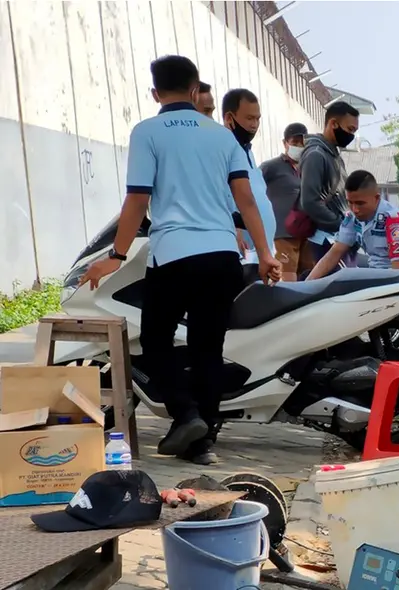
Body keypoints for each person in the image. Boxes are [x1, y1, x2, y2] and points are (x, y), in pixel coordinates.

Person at [79, 55, 280, 464]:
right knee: (209, 347)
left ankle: (186, 415)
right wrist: (265, 254)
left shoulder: (148, 132)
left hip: (174, 255)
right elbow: (245, 200)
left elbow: (137, 198)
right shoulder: (222, 137)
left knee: (154, 339)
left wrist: (116, 256)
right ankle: (201, 445)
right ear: (194, 90)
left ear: (155, 92)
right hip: (223, 255)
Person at [306, 170, 399, 278]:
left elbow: (398, 272)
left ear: (376, 198)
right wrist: (306, 285)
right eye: (350, 202)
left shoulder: (394, 220)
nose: (355, 209)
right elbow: (334, 254)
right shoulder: (352, 219)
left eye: (360, 203)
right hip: (374, 274)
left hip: (398, 281)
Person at [221, 89, 275, 271]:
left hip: (262, 255)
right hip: (240, 254)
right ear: (230, 118)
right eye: (249, 118)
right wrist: (231, 226)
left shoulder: (247, 152)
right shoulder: (219, 151)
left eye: (258, 119)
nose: (255, 125)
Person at [300, 101, 359, 265]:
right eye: (350, 129)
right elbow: (310, 201)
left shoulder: (334, 156)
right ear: (333, 124)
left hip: (338, 239)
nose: (352, 136)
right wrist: (340, 225)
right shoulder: (316, 155)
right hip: (326, 241)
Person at [261, 122, 312, 281]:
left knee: (310, 279)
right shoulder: (271, 167)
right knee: (289, 283)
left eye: (302, 142)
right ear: (285, 143)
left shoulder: (310, 168)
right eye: (294, 142)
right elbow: (250, 190)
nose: (298, 146)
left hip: (308, 234)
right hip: (283, 234)